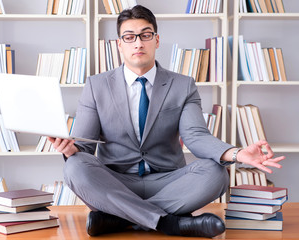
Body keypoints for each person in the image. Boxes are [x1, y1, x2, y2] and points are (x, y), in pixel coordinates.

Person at [48, 5, 285, 238]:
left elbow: (196, 136)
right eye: (129, 37)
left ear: (157, 40)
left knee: (216, 171)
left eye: (145, 35)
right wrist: (70, 150)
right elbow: (84, 148)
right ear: (119, 44)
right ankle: (170, 223)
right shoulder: (96, 85)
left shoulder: (183, 85)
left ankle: (119, 218)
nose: (138, 43)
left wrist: (236, 153)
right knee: (75, 167)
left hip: (169, 182)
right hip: (117, 182)